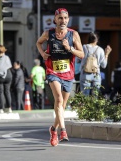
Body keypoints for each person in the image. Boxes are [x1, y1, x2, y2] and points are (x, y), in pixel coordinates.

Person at [36, 8, 84, 147]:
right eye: (60, 18)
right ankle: (63, 131)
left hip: (68, 74)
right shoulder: (48, 33)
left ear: (68, 20)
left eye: (65, 18)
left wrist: (70, 48)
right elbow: (38, 43)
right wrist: (42, 54)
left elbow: (81, 54)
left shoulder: (73, 35)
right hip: (53, 71)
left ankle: (53, 129)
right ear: (55, 20)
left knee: (62, 106)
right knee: (59, 99)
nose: (63, 20)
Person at [79, 32, 112, 96]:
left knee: (85, 95)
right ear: (97, 40)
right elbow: (104, 65)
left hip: (85, 74)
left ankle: (86, 106)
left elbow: (78, 60)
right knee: (95, 96)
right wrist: (107, 54)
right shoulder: (100, 50)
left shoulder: (84, 47)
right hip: (96, 74)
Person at [0, 45, 12, 113]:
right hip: (8, 74)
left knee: (0, 93)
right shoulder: (7, 58)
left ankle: (1, 108)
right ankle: (9, 107)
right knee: (7, 91)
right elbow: (9, 66)